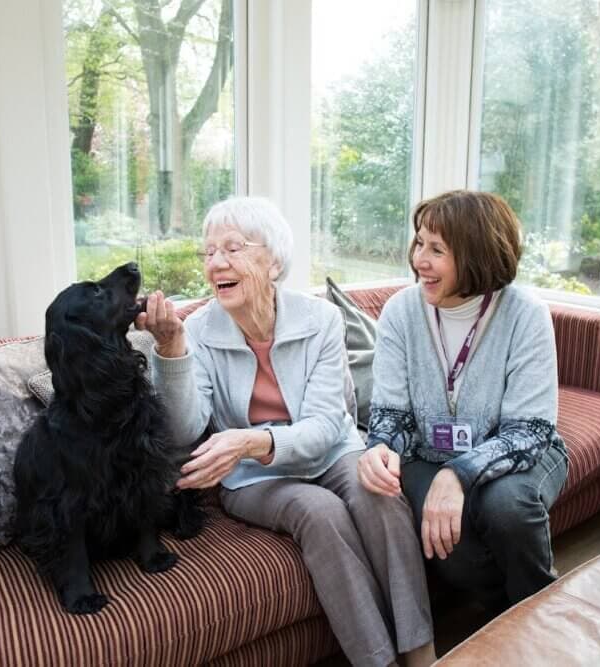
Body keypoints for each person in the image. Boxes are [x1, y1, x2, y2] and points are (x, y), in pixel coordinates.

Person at [138, 196, 436, 667]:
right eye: (209, 252)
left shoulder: (320, 320)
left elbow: (323, 426)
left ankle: (423, 656)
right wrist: (172, 348)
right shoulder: (195, 329)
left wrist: (253, 440)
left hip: (330, 450)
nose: (216, 262)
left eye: (233, 248)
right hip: (252, 476)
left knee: (381, 496)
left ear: (273, 261)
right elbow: (181, 432)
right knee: (319, 511)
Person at [358, 189, 568, 612]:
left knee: (506, 508)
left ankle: (542, 623)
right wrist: (378, 449)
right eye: (419, 243)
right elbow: (391, 416)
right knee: (451, 551)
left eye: (437, 249)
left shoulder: (525, 314)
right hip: (425, 454)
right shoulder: (400, 311)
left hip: (521, 452)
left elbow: (529, 430)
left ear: (476, 253)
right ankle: (500, 622)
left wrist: (457, 474)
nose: (420, 259)